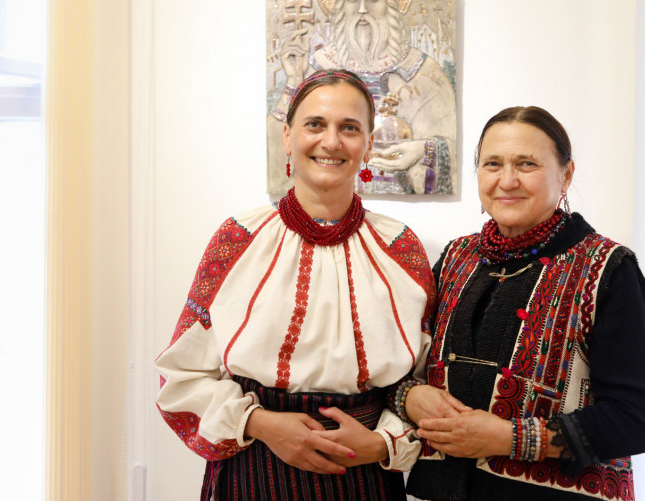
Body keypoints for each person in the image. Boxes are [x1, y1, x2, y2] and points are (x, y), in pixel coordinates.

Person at [156, 70, 435, 500]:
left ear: (368, 145)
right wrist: (262, 424)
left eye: (349, 128)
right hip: (257, 468)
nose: (331, 141)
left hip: (363, 475)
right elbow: (182, 374)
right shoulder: (238, 239)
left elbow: (426, 380)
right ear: (288, 137)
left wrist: (383, 444)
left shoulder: (401, 248)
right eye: (315, 124)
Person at [392, 106, 645, 500]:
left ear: (566, 174)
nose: (507, 180)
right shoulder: (455, 259)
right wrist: (410, 397)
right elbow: (396, 365)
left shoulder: (607, 268)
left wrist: (509, 438)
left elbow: (634, 420)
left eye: (526, 164)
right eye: (492, 164)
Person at [267, 0, 456, 195]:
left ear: (390, 5)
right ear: (340, 7)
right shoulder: (314, 68)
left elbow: (451, 146)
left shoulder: (421, 70)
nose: (363, 9)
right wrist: (292, 82)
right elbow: (280, 156)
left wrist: (424, 149)